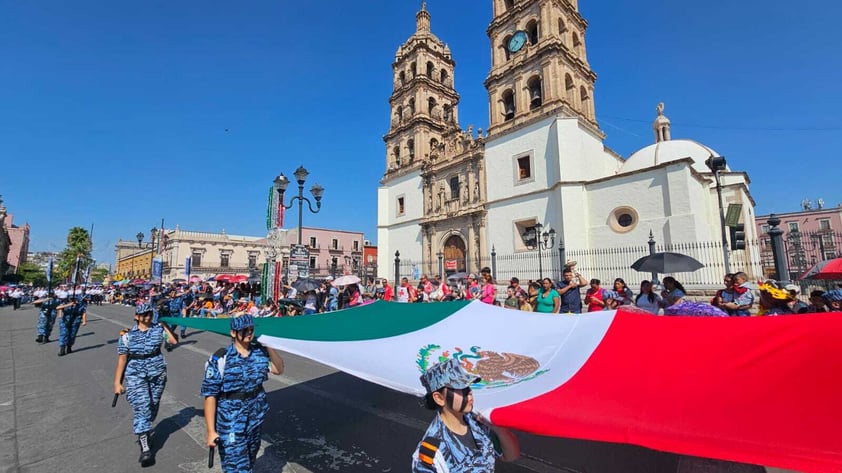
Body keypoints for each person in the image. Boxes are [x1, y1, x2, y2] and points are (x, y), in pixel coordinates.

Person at [202, 315, 285, 473]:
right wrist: (211, 431)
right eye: (244, 330)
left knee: (249, 459)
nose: (249, 333)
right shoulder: (220, 358)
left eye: (251, 329)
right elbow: (210, 395)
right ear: (233, 333)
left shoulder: (259, 353)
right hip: (231, 421)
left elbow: (278, 369)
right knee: (238, 468)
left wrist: (269, 346)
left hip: (255, 417)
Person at [412, 358, 519, 472]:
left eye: (468, 386)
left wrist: (499, 430)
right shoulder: (433, 451)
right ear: (439, 398)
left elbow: (511, 456)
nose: (469, 392)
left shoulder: (478, 421)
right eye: (460, 387)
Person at [113, 303, 179, 467]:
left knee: (153, 404)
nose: (147, 317)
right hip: (135, 373)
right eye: (144, 314)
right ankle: (145, 448)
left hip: (157, 372)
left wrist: (163, 324)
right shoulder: (126, 335)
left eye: (150, 314)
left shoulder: (159, 330)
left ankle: (145, 428)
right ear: (137, 316)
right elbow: (122, 359)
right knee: (142, 405)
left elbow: (173, 341)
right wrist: (116, 383)